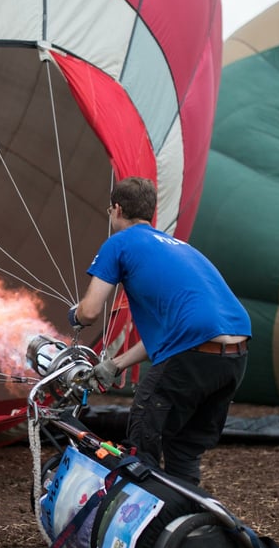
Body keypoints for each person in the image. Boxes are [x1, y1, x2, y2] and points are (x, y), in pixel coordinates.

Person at [68, 176, 250, 486]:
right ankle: (187, 518)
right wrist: (115, 364)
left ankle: (142, 520)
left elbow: (90, 311)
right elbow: (179, 335)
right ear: (151, 212)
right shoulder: (182, 247)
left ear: (117, 209)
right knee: (183, 451)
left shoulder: (120, 243)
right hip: (234, 355)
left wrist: (77, 317)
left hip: (193, 353)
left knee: (143, 442)